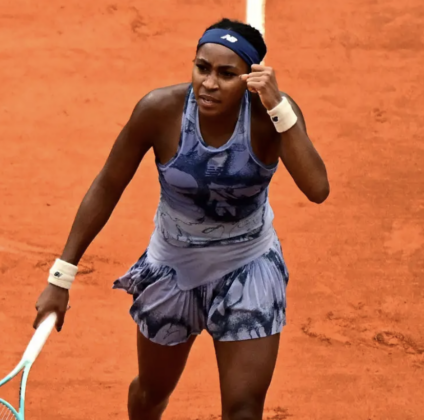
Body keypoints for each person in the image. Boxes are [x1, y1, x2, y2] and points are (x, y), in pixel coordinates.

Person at [33, 17, 330, 420]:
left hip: (248, 269)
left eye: (227, 74)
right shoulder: (160, 111)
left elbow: (317, 188)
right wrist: (61, 277)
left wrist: (278, 105)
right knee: (150, 395)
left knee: (244, 410)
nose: (209, 83)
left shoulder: (271, 116)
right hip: (172, 268)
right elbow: (107, 185)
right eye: (202, 67)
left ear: (250, 79)